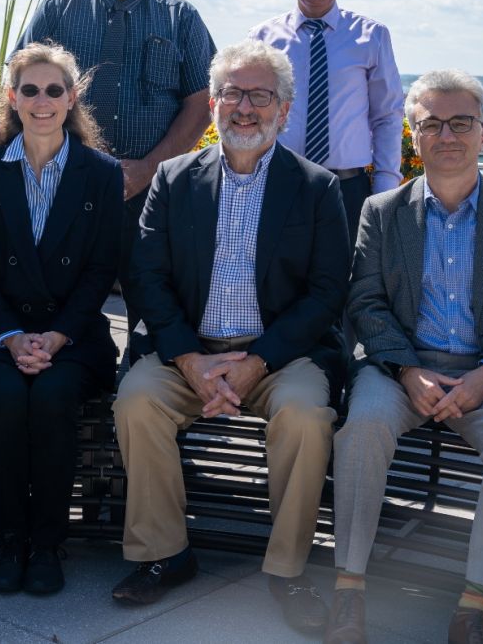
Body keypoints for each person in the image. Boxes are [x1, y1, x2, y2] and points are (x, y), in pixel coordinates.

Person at [111, 39, 351, 635]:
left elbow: (326, 294)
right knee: (137, 402)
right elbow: (145, 276)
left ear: (285, 109)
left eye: (260, 96)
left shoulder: (317, 188)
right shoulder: (173, 178)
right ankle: (165, 555)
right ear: (214, 102)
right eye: (233, 93)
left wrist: (258, 363)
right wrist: (190, 359)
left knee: (303, 415)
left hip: (280, 354)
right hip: (185, 349)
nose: (245, 108)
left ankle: (288, 569)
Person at [327, 69, 483, 644]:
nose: (447, 134)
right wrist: (407, 371)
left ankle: (475, 604)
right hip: (400, 366)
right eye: (431, 123)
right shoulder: (382, 212)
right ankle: (348, 592)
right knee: (360, 430)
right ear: (413, 137)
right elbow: (366, 303)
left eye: (461, 122)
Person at [0, 43, 123, 595]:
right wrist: (10, 336)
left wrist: (55, 335)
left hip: (72, 335)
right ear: (12, 97)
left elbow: (102, 268)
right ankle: (10, 539)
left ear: (72, 98)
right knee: (5, 397)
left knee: (52, 398)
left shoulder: (100, 173)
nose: (43, 100)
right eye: (30, 89)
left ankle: (48, 542)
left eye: (55, 90)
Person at [16, 0, 215, 345]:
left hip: (154, 191)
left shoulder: (181, 18)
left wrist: (148, 169)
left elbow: (202, 102)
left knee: (153, 309)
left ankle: (139, 394)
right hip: (68, 185)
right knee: (62, 307)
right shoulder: (57, 11)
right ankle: (77, 395)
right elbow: (26, 90)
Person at [249, 0, 404, 238]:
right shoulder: (262, 39)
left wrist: (385, 189)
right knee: (279, 282)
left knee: (344, 283)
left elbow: (387, 116)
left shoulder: (371, 37)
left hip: (348, 191)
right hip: (280, 184)